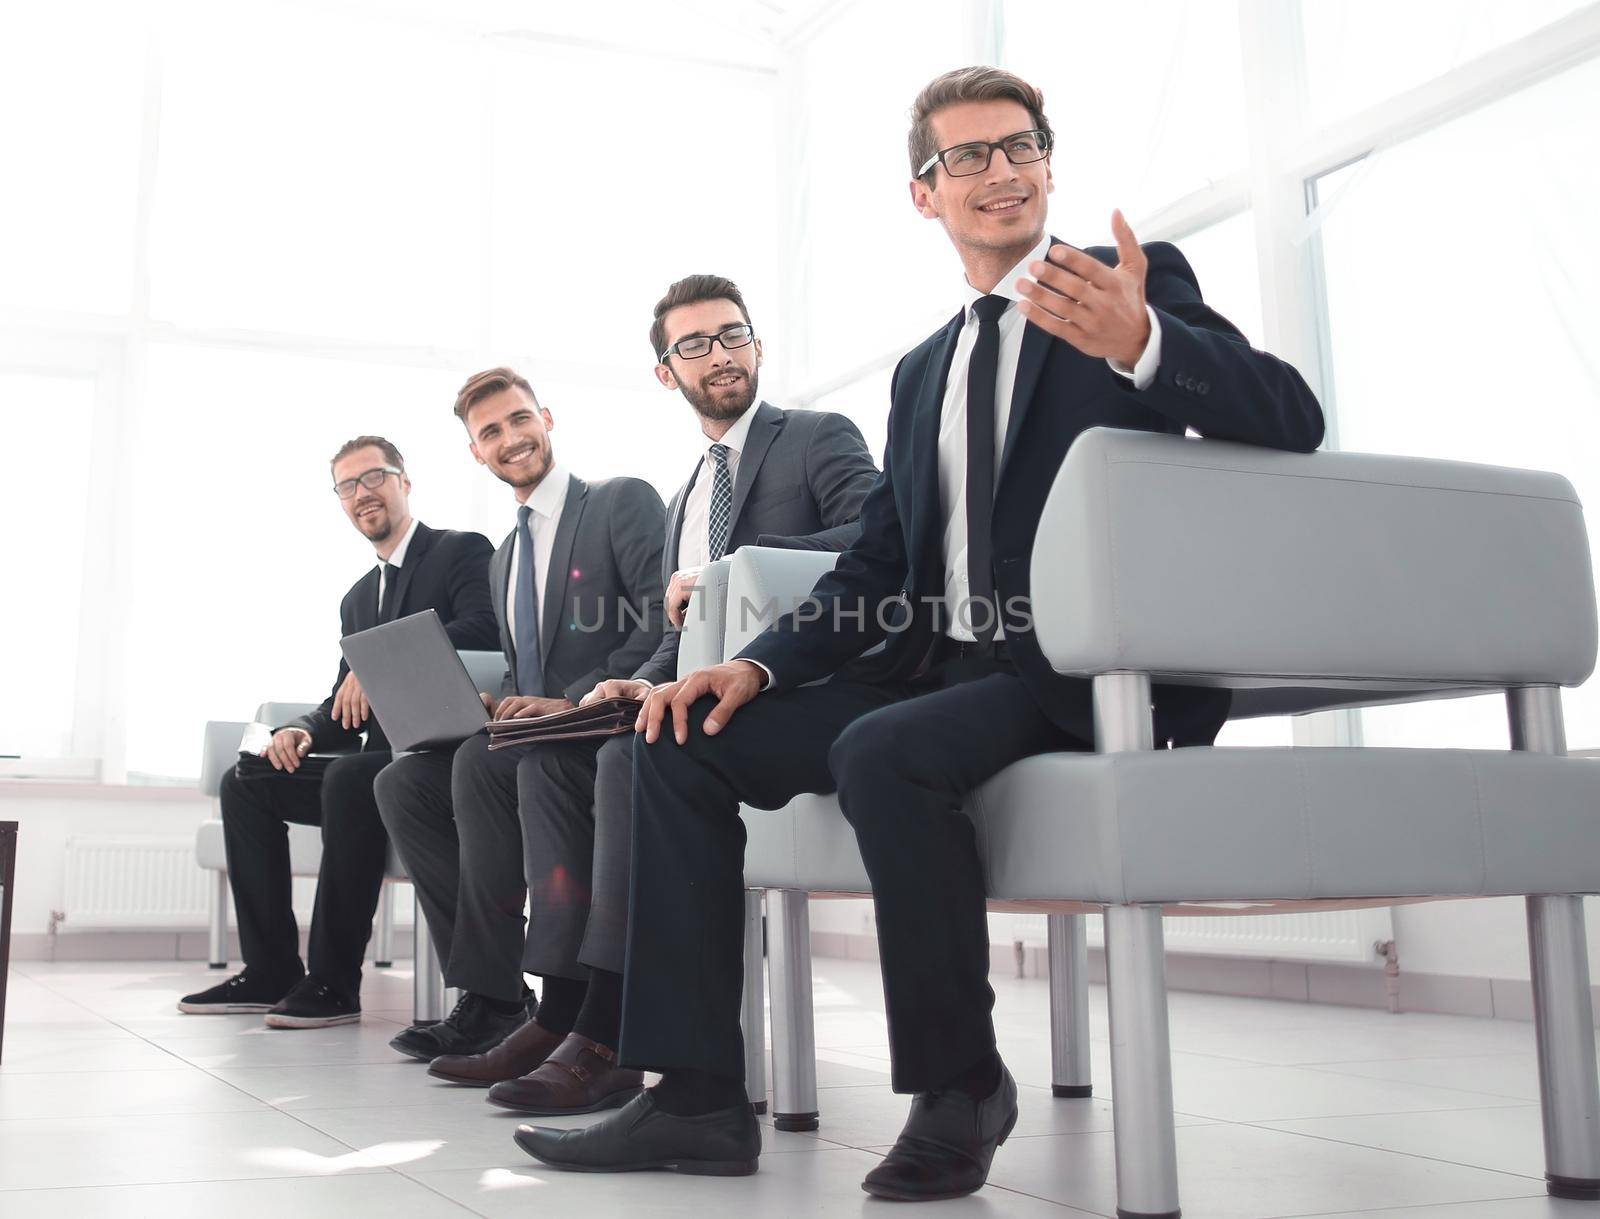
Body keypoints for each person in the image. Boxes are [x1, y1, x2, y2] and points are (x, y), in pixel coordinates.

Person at [513, 65, 1325, 1199]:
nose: (1000, 171)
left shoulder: (1121, 291)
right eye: (968, 157)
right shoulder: (921, 372)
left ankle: (959, 1085)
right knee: (669, 736)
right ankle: (697, 1093)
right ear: (922, 194)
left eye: (1020, 146)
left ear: (1048, 161)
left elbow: (1292, 418)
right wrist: (751, 663)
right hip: (932, 665)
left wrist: (1143, 338)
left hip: (1080, 669)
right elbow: (875, 567)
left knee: (881, 751)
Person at [424, 275, 879, 1113]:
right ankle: (562, 1006)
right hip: (697, 690)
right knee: (548, 763)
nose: (721, 354)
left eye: (732, 334)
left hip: (797, 684)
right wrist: (644, 674)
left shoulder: (815, 437)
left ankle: (607, 1030)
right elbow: (679, 623)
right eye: (694, 344)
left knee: (628, 756)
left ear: (758, 344)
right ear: (667, 371)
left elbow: (873, 536)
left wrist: (733, 569)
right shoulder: (683, 497)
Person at [375, 368, 666, 1064]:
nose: (511, 438)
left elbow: (661, 619)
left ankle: (523, 1006)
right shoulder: (506, 556)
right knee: (402, 783)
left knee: (484, 762)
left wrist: (574, 699)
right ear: (476, 452)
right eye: (491, 432)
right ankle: (495, 993)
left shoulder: (618, 502)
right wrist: (488, 701)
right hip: (535, 734)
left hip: (607, 722)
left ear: (548, 418)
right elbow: (521, 672)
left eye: (519, 419)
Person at [179, 436, 497, 1028]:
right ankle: (272, 968)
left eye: (373, 477)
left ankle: (333, 983)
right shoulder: (357, 599)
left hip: (444, 759)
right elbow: (341, 701)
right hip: (376, 760)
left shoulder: (459, 552)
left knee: (351, 777)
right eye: (347, 486)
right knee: (246, 780)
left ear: (405, 481)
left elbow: (484, 629)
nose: (362, 494)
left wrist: (377, 670)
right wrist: (299, 729)